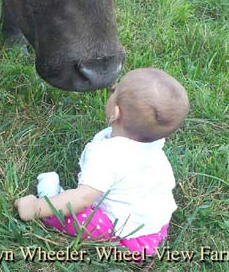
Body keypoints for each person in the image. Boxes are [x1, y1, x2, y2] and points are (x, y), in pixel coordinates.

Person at [15, 68, 190, 255]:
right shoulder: (152, 146)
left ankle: (50, 195)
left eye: (116, 90)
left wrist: (35, 208)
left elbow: (82, 199)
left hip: (127, 238)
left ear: (115, 113)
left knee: (76, 216)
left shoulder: (109, 156)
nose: (112, 87)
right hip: (155, 229)